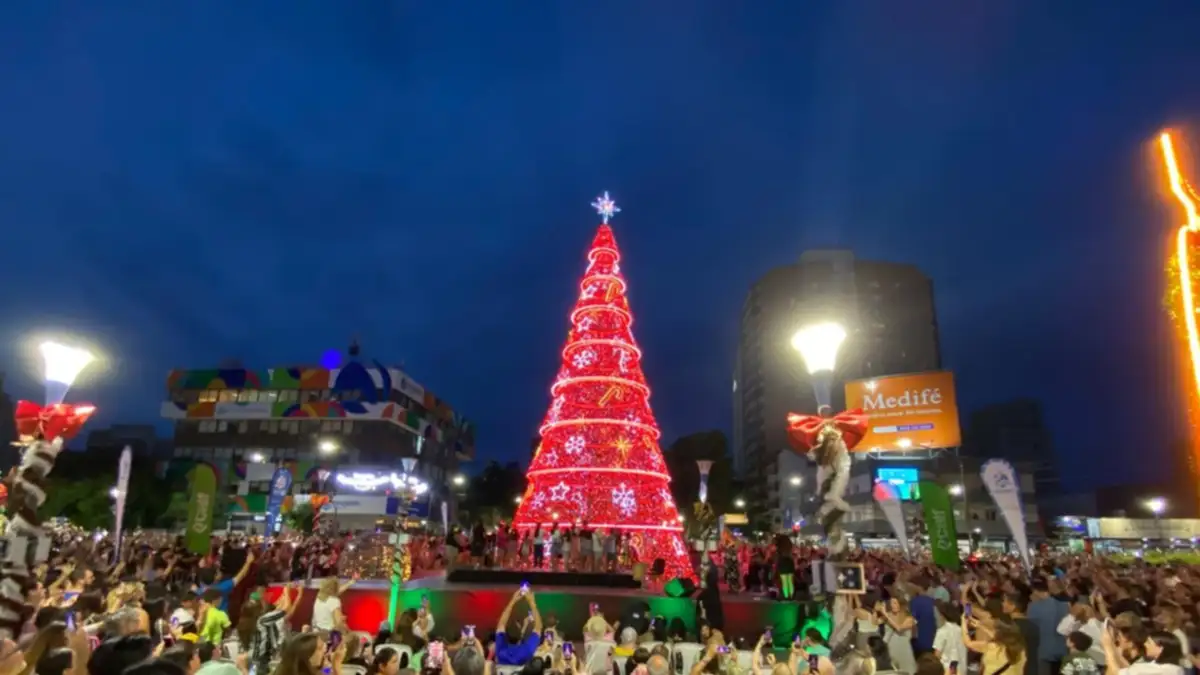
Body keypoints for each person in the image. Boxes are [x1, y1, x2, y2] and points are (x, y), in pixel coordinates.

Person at [1028, 579, 1069, 675]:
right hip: (1062, 650)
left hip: (1044, 651)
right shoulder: (1065, 606)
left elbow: (1031, 629)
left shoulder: (1033, 607)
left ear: (1036, 592)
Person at [493, 587, 543, 666]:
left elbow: (501, 625)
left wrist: (512, 601)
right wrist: (532, 603)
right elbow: (538, 627)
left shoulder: (500, 651)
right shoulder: (527, 651)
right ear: (520, 634)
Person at [964, 616, 1028, 675]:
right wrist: (980, 626)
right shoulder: (1022, 652)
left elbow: (968, 643)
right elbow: (998, 637)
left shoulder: (993, 647)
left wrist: (964, 623)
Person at [1101, 630, 1183, 675]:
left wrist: (1108, 646)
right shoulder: (1173, 668)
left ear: (1160, 649)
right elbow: (1130, 670)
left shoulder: (1161, 670)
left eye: (1149, 642)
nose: (1145, 644)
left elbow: (1116, 673)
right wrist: (1117, 652)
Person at [877, 597, 918, 674]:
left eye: (895, 603)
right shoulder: (888, 616)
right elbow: (875, 622)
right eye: (891, 603)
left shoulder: (909, 618)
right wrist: (875, 611)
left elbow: (899, 628)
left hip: (903, 650)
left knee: (907, 671)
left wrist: (886, 615)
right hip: (890, 649)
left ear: (900, 605)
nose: (893, 605)